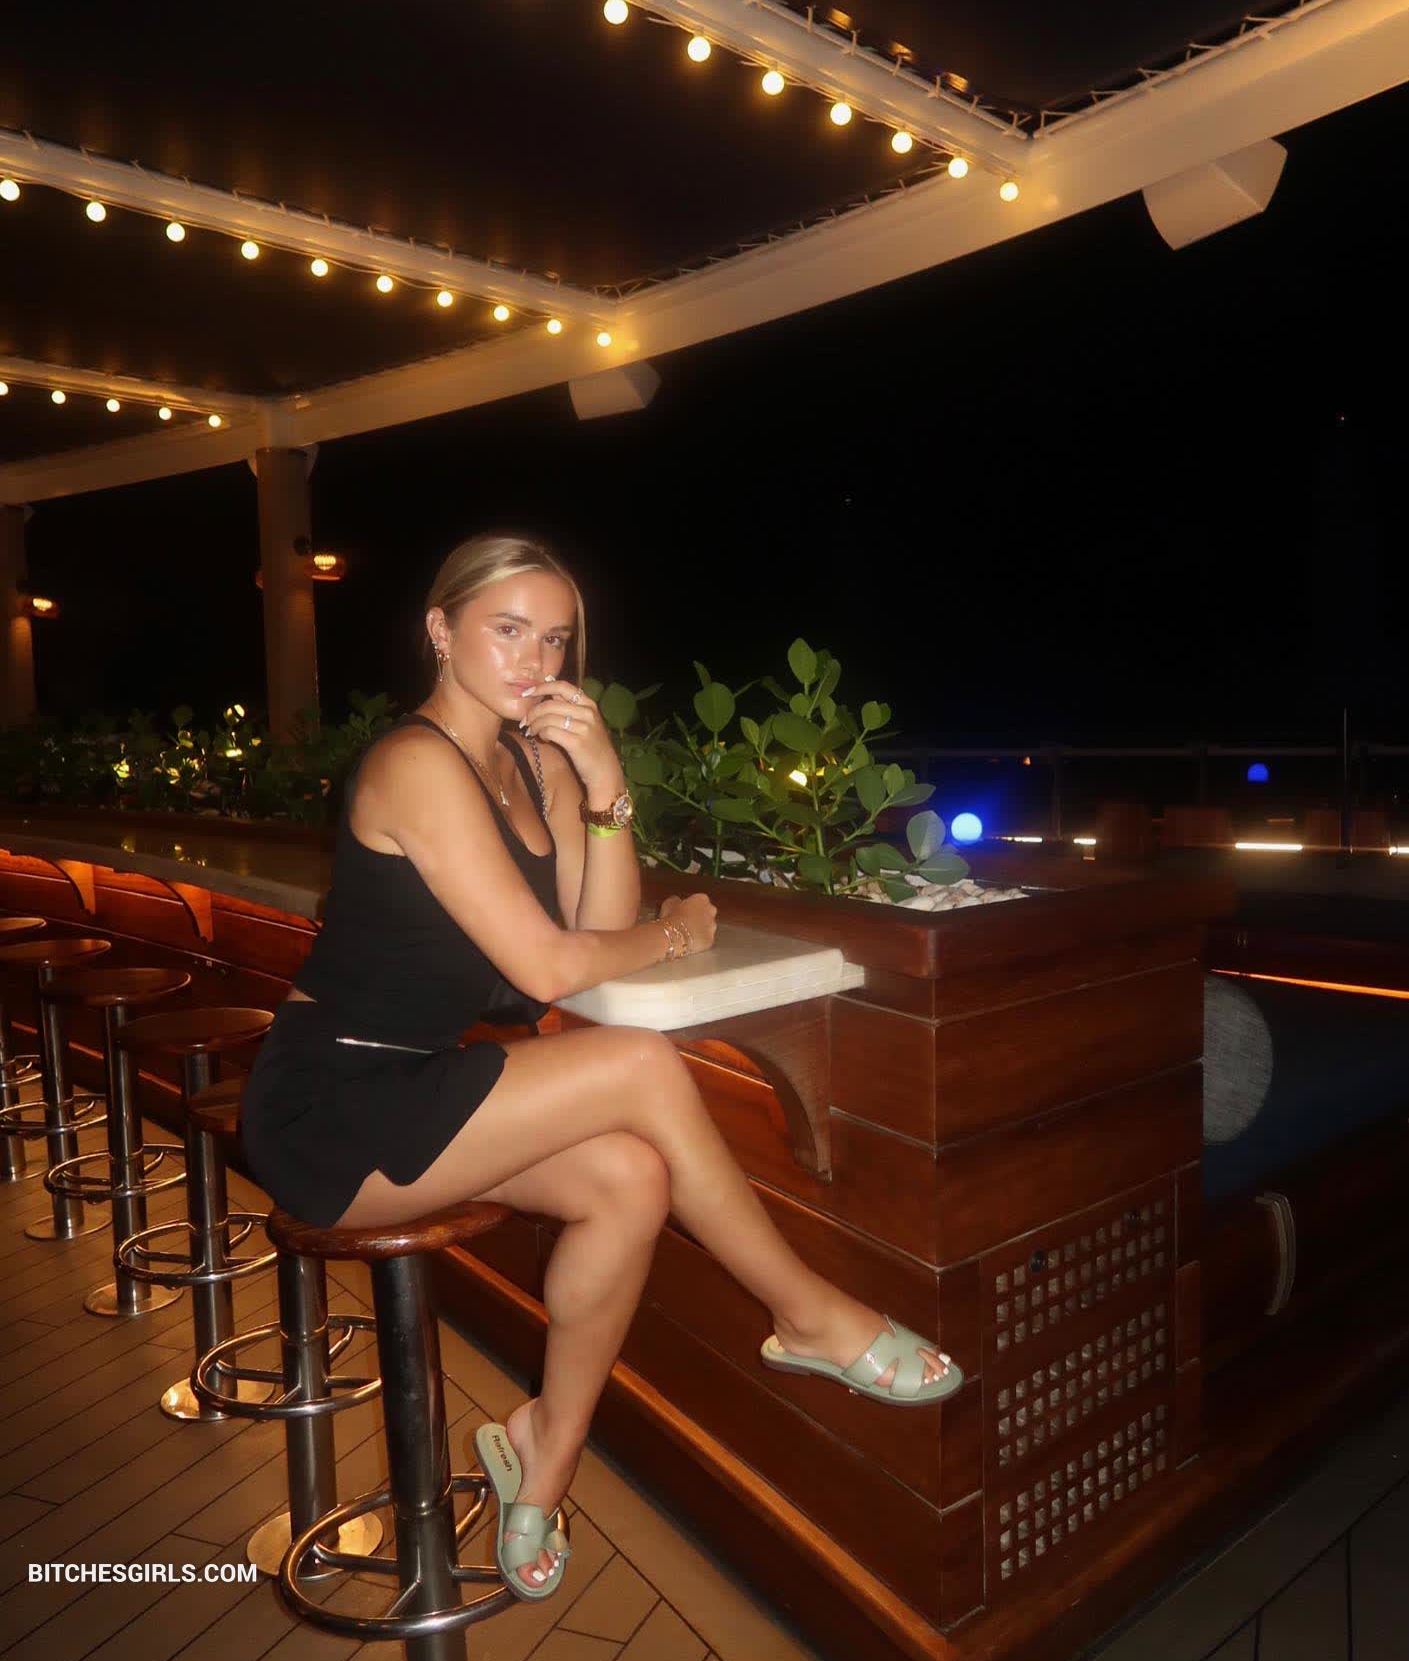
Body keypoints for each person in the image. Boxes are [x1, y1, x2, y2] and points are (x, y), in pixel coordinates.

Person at [241, 532, 960, 1602]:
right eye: (508, 629)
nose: (536, 660)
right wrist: (672, 936)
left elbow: (593, 928)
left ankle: (546, 1450)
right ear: (439, 630)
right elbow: (547, 967)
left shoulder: (531, 762)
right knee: (639, 1067)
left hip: (415, 1084)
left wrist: (605, 780)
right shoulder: (413, 764)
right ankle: (806, 1312)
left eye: (556, 639)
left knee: (632, 1176)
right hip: (332, 1101)